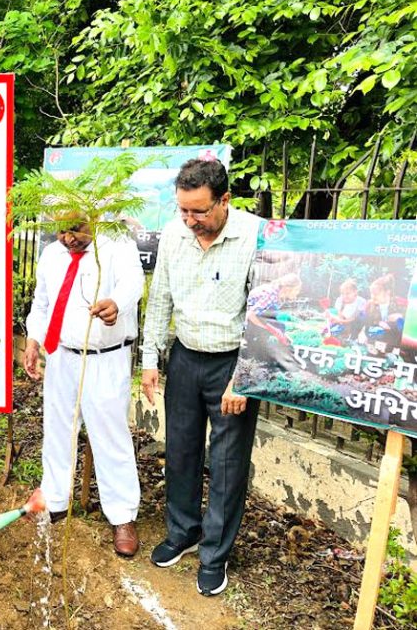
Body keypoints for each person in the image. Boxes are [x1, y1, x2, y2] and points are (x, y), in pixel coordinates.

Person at [141, 157, 263, 597]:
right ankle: (183, 532)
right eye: (183, 210)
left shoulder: (254, 237)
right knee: (180, 450)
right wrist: (150, 360)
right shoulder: (175, 234)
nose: (190, 220)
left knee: (227, 464)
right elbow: (160, 299)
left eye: (199, 211)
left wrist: (243, 378)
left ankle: (215, 555)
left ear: (224, 200)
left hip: (231, 362)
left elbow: (263, 316)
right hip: (185, 357)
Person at [23, 213, 144, 557]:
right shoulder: (52, 255)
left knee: (109, 433)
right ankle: (55, 499)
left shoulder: (116, 246)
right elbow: (42, 303)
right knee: (58, 428)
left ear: (93, 219)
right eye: (61, 231)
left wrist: (116, 304)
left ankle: (122, 515)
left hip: (106, 357)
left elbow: (133, 283)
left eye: (75, 229)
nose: (67, 238)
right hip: (61, 355)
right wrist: (33, 340)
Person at [359, 273, 404, 352]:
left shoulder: (400, 304)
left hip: (396, 344)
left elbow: (408, 328)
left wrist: (398, 320)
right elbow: (365, 324)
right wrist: (363, 332)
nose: (373, 296)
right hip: (375, 343)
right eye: (371, 294)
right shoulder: (369, 305)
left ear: (388, 292)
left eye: (376, 294)